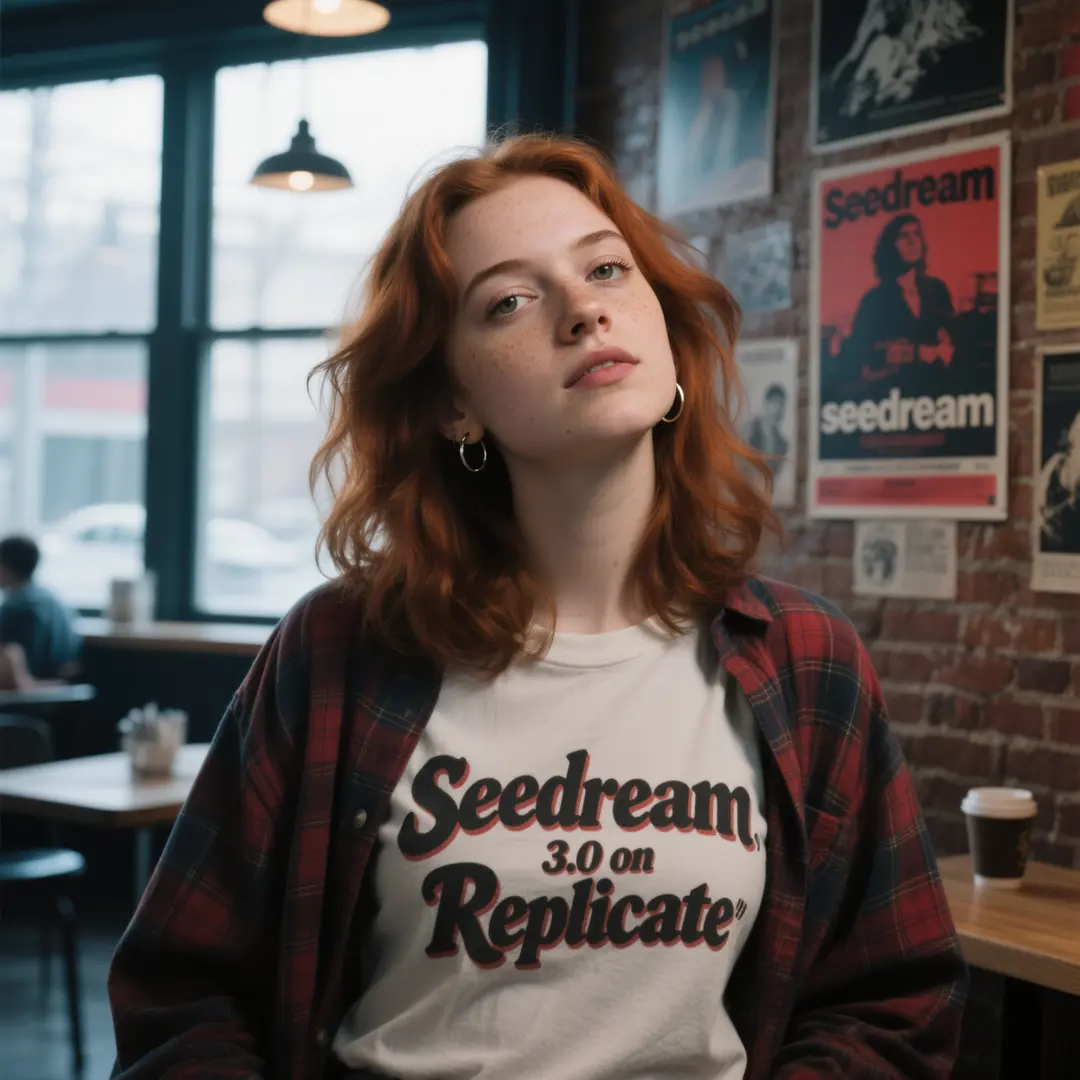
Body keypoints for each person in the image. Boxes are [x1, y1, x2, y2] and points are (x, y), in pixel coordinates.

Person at [108, 134, 966, 1080]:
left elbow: (890, 998)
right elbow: (184, 993)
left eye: (604, 267)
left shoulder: (807, 661)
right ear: (454, 404)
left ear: (666, 332)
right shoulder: (342, 650)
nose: (582, 309)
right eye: (510, 300)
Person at [842, 212, 955, 388]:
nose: (912, 241)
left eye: (917, 234)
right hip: (892, 390)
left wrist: (948, 345)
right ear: (890, 247)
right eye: (903, 236)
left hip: (937, 388)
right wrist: (914, 353)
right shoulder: (874, 300)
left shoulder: (938, 290)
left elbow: (951, 336)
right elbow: (858, 353)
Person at [0, 534, 82, 691]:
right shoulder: (55, 601)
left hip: (23, 694)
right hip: (58, 692)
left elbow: (9, 669)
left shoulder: (16, 607)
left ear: (5, 567)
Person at [742, 383, 789, 477]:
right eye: (774, 403)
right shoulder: (748, 430)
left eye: (781, 404)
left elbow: (774, 475)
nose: (778, 409)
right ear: (766, 403)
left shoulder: (782, 444)